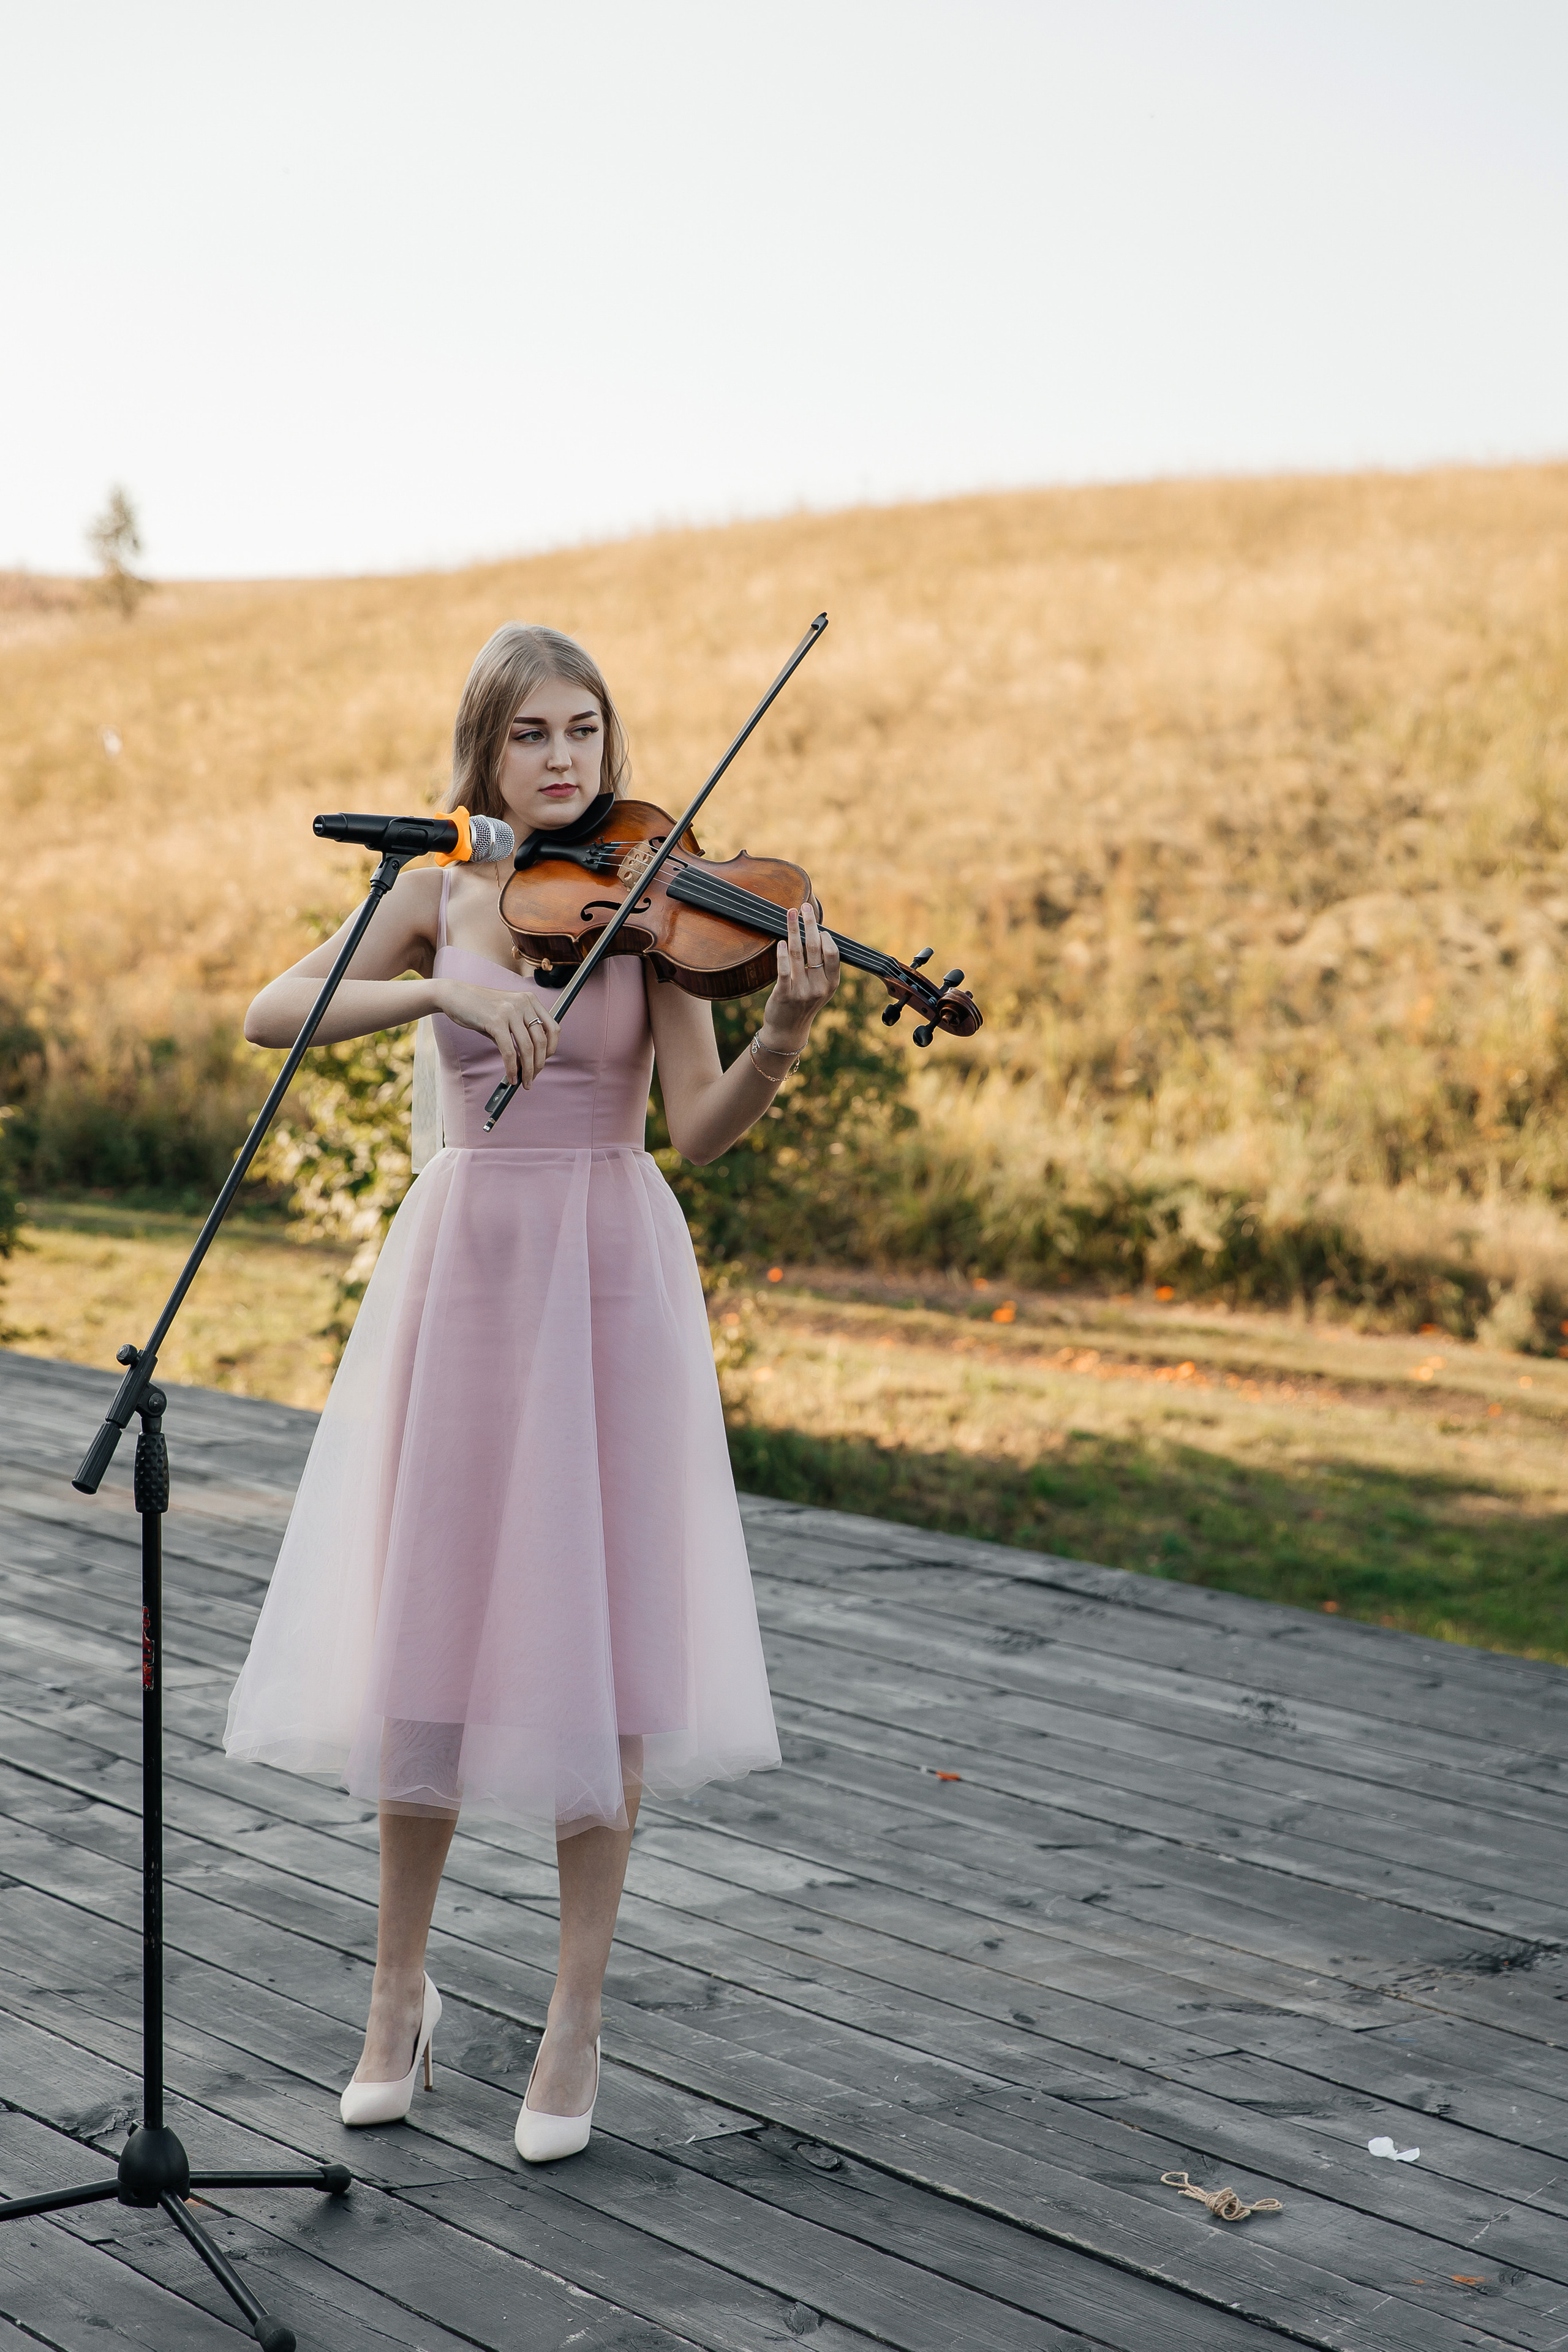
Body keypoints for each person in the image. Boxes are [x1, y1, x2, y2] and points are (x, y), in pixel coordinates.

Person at [225, 622, 839, 2160]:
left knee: (604, 1643)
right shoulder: (439, 890)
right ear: (485, 754)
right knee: (426, 1631)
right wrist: (436, 994)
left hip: (607, 1265)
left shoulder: (653, 902)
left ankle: (574, 2017)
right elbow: (272, 1011)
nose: (564, 759)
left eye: (584, 730)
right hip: (469, 1269)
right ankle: (397, 1994)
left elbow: (696, 1126)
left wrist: (779, 1032)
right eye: (532, 734)